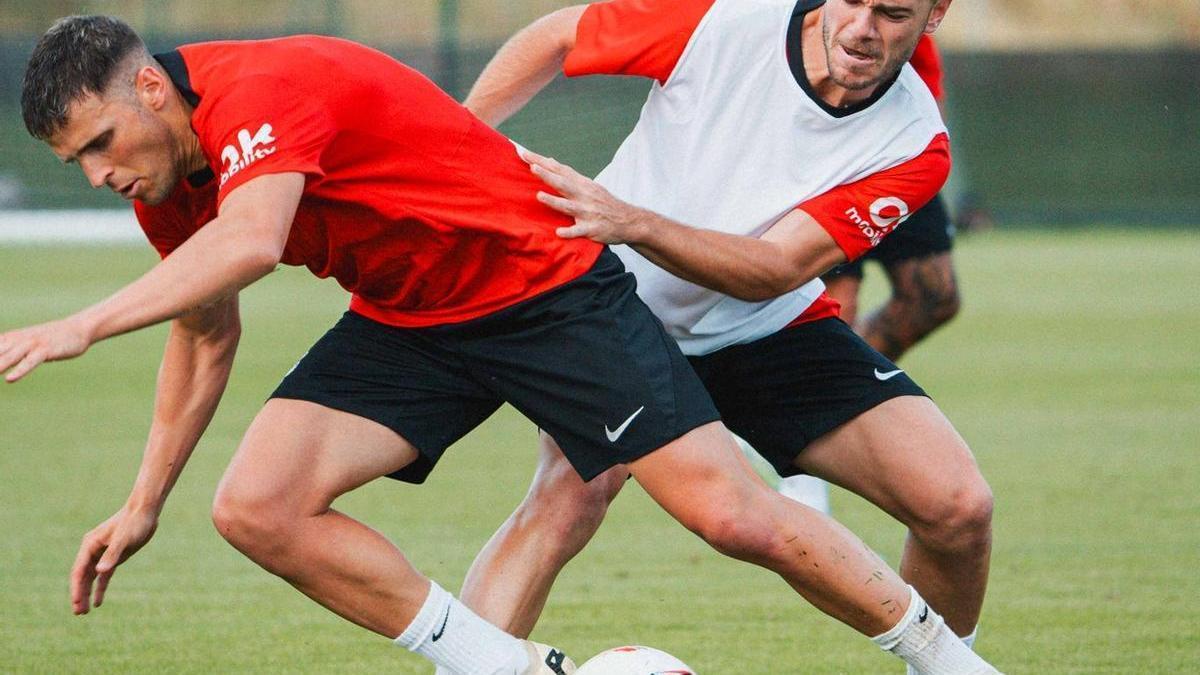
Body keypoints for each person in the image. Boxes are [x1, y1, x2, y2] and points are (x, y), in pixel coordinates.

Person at [0, 14, 994, 675]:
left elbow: (254, 241)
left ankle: (953, 662)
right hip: (410, 313)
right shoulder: (166, 180)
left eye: (100, 144)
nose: (97, 175)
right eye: (75, 159)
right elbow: (205, 331)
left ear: (150, 88)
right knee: (256, 506)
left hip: (539, 284)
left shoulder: (259, 88)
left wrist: (81, 323)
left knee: (731, 516)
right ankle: (515, 668)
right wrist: (143, 503)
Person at [455, 0, 997, 671]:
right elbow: (561, 34)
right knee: (570, 496)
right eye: (853, 1)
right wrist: (460, 139)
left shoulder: (915, 142)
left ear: (934, 14)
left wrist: (634, 221)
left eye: (891, 13)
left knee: (958, 507)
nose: (863, 29)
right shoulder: (724, 20)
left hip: (767, 323)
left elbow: (774, 268)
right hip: (615, 311)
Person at [778, 32, 959, 512]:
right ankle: (802, 454)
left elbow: (926, 73)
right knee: (837, 304)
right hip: (834, 152)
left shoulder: (905, 16)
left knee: (935, 297)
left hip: (899, 143)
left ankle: (809, 399)